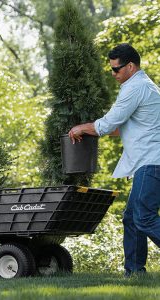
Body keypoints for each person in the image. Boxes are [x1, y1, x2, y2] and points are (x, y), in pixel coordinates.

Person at [68, 43, 160, 276]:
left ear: (130, 66)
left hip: (152, 161)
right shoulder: (143, 87)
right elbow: (122, 128)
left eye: (116, 69)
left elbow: (108, 124)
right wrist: (92, 128)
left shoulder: (136, 87)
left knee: (143, 216)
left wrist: (81, 128)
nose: (113, 74)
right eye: (111, 69)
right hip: (148, 161)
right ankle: (135, 272)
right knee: (131, 218)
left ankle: (135, 270)